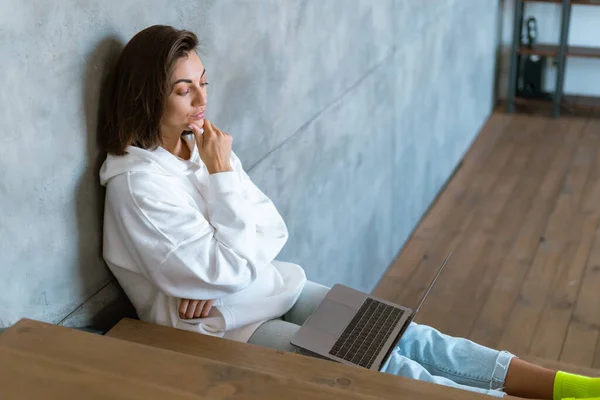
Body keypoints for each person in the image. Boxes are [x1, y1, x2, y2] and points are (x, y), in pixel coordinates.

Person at [99, 25, 598, 400]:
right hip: (221, 328)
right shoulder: (138, 186)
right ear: (148, 96)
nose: (203, 100)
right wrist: (225, 190)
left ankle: (567, 388)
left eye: (203, 83)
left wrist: (218, 265)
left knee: (413, 339)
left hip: (270, 288)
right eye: (185, 90)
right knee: (390, 371)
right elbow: (226, 267)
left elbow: (272, 228)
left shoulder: (203, 148)